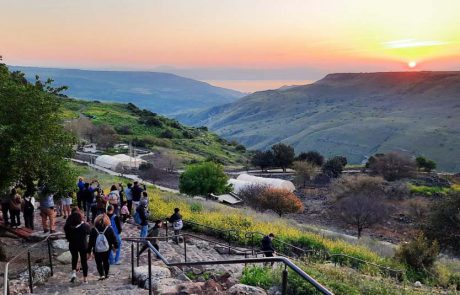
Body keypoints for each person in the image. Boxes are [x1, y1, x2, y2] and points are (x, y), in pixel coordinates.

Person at [88, 214, 118, 280]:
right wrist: (115, 247)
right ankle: (106, 274)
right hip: (107, 249)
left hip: (96, 250)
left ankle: (101, 274)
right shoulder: (109, 229)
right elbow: (114, 239)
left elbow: (90, 242)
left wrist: (89, 251)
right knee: (106, 261)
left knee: (98, 262)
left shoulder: (93, 230)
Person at [64, 211, 91, 284]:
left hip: (72, 245)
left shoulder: (67, 227)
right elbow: (89, 233)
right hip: (83, 245)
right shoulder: (85, 226)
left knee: (74, 258)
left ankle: (73, 273)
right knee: (84, 261)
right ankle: (85, 279)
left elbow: (67, 237)